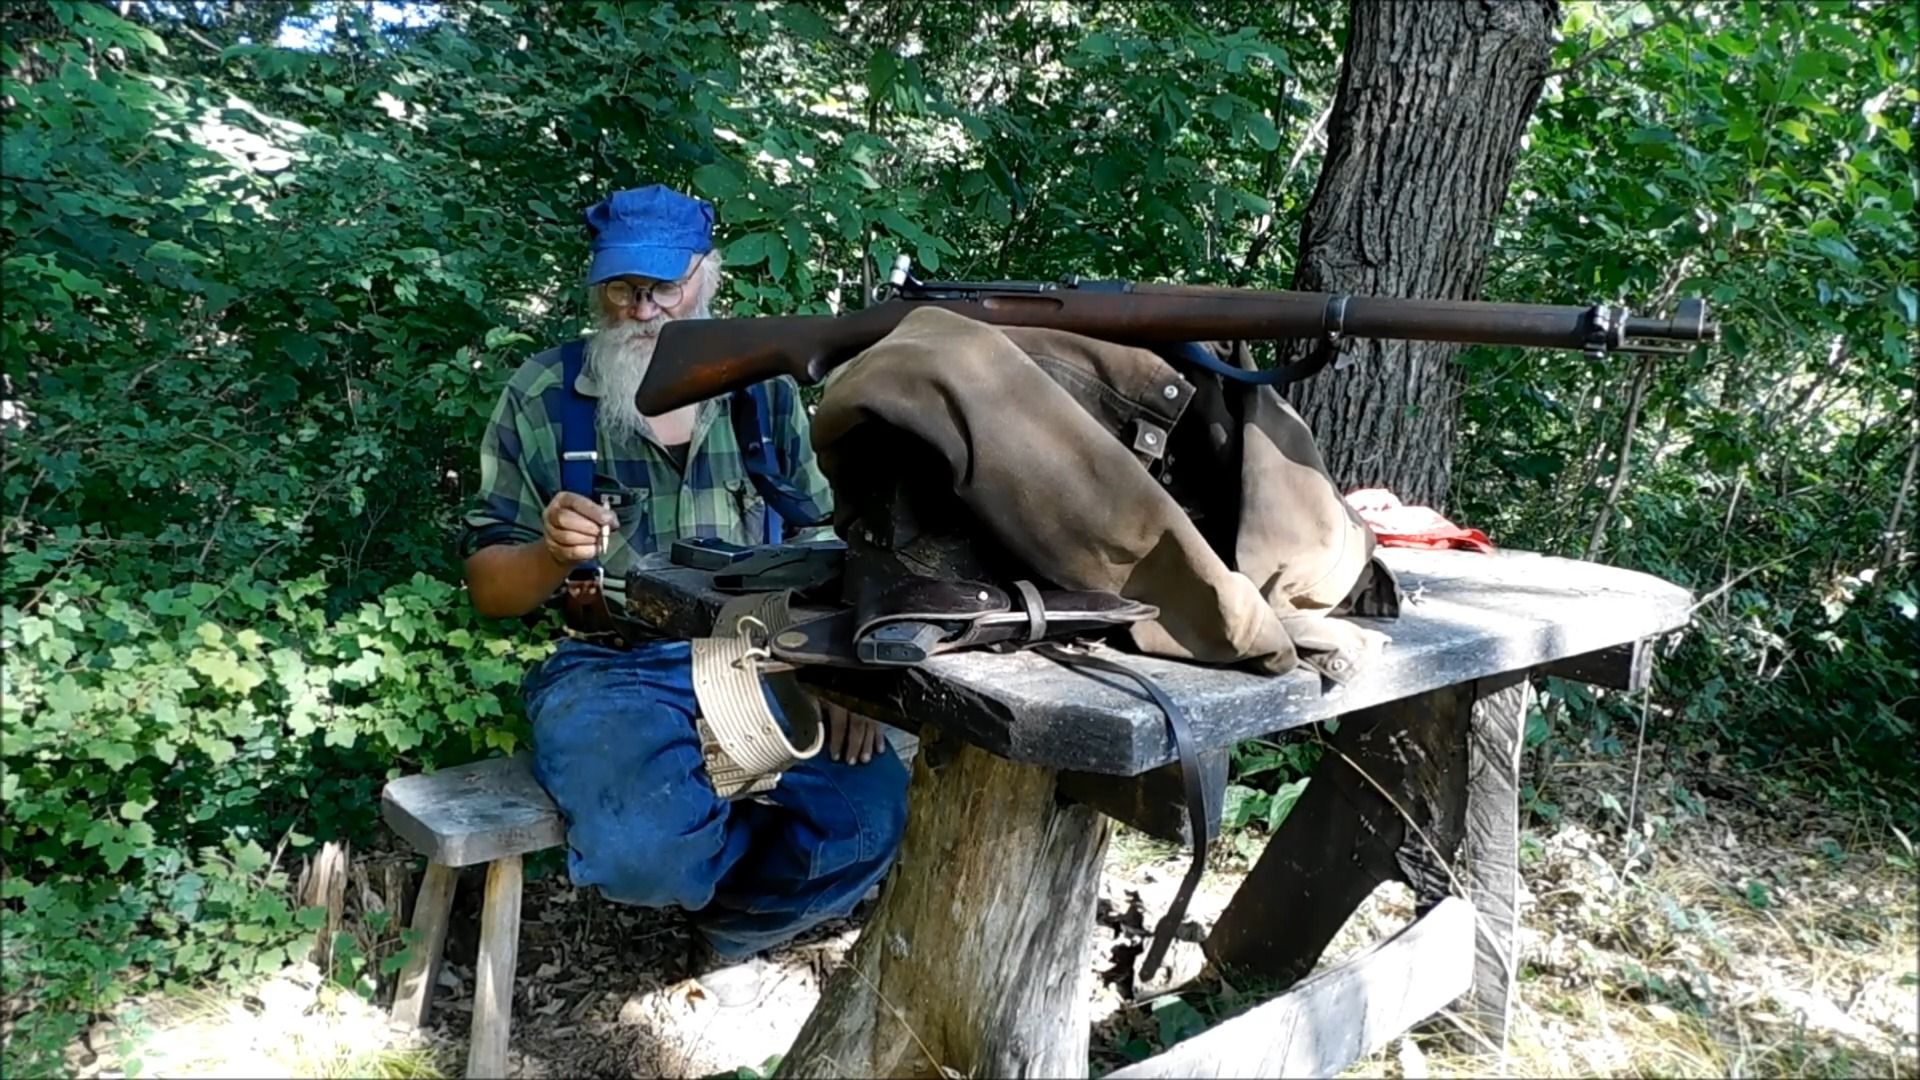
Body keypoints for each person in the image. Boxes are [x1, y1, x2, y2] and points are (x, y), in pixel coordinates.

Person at [456, 183, 910, 1005]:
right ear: (598, 286)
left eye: (666, 284)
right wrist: (551, 554)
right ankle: (697, 873)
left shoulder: (762, 392)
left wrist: (842, 669)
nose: (644, 307)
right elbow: (490, 589)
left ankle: (735, 930)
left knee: (868, 821)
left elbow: (828, 538)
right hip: (612, 665)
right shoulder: (545, 394)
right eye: (624, 287)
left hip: (768, 655)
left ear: (707, 276)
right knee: (642, 854)